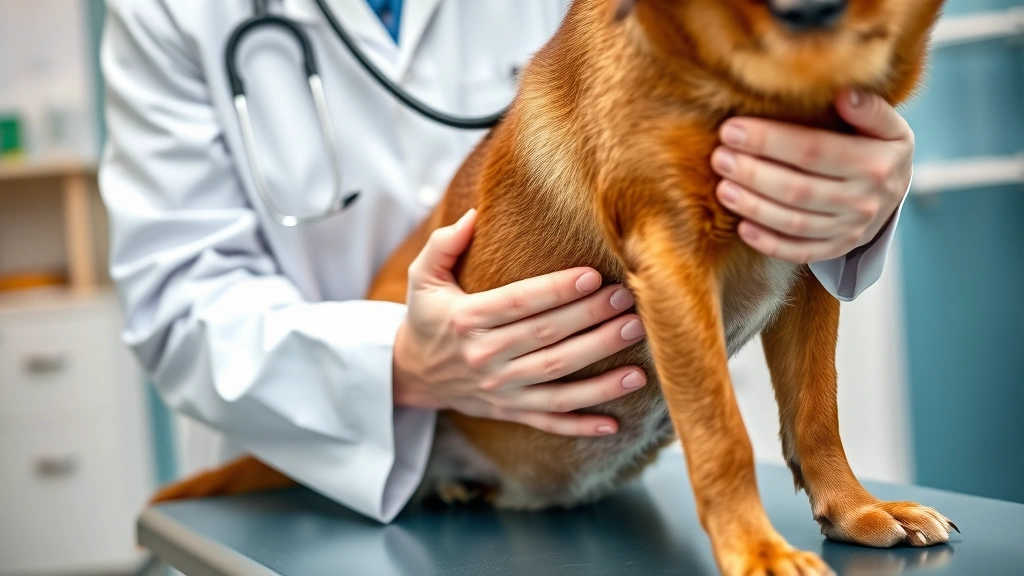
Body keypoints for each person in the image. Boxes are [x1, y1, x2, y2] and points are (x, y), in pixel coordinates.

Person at [99, 0, 915, 523]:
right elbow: (178, 305)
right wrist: (399, 363)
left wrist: (850, 186)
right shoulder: (172, 13)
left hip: (603, 479)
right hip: (333, 479)